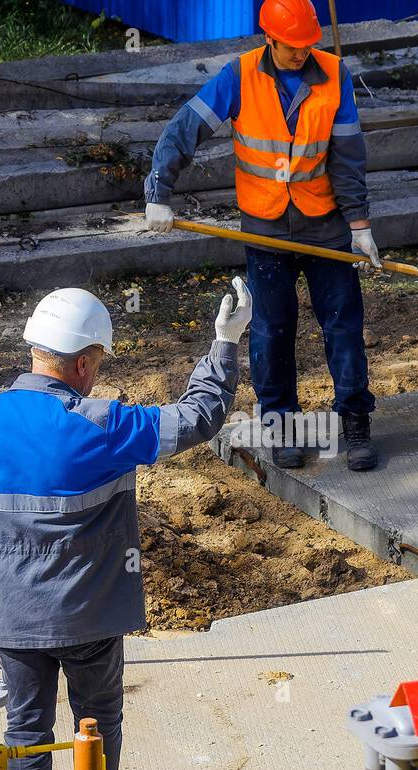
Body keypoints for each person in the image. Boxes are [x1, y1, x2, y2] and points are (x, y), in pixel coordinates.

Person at [0, 279, 251, 770]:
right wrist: (224, 343)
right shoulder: (104, 424)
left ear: (36, 350)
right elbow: (197, 418)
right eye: (97, 360)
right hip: (90, 616)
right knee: (96, 721)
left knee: (26, 729)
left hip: (13, 616)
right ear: (82, 364)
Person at [144, 0, 379, 471]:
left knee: (343, 325)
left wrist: (359, 226)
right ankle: (281, 425)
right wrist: (159, 191)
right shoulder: (240, 75)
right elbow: (185, 127)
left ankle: (354, 420)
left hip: (324, 224)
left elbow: (347, 157)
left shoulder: (334, 75)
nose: (302, 54)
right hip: (266, 226)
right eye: (293, 47)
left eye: (308, 45)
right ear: (269, 39)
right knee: (272, 330)